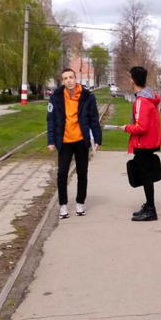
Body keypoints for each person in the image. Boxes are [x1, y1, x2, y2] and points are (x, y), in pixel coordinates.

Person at [47, 68, 102, 219]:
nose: (69, 80)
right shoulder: (56, 97)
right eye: (65, 78)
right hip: (64, 142)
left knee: (82, 173)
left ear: (75, 78)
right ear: (62, 81)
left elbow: (93, 119)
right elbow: (50, 120)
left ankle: (80, 203)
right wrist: (51, 140)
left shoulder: (87, 96)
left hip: (81, 141)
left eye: (71, 77)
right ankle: (63, 205)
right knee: (62, 174)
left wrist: (97, 138)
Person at [123, 65, 161, 221]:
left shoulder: (141, 100)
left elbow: (141, 127)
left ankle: (151, 210)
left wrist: (126, 127)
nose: (128, 80)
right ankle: (149, 205)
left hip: (143, 144)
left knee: (146, 176)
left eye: (129, 77)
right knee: (147, 175)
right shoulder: (150, 97)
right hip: (150, 142)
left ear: (133, 79)